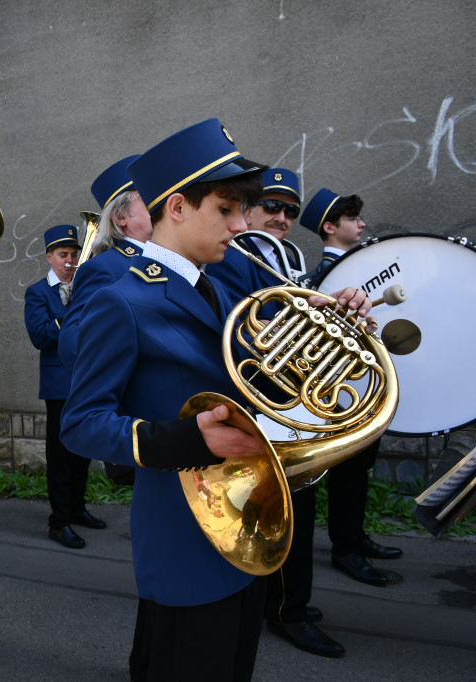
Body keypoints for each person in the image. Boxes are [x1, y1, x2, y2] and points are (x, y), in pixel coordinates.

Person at [60, 119, 375, 681]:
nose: (241, 225)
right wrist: (183, 439)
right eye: (226, 210)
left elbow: (281, 351)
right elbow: (81, 423)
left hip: (248, 515)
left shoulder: (225, 278)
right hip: (183, 530)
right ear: (177, 207)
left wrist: (337, 317)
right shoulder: (121, 297)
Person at [207, 169, 344, 658]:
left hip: (292, 396)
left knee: (298, 504)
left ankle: (284, 598)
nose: (283, 219)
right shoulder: (232, 253)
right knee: (285, 506)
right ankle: (287, 609)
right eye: (272, 208)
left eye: (290, 211)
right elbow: (233, 321)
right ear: (249, 211)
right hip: (258, 395)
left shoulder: (289, 256)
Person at [300, 188, 403, 586]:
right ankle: (345, 548)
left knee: (360, 468)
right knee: (348, 470)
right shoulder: (324, 276)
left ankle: (356, 537)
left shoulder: (361, 266)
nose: (361, 224)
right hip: (343, 388)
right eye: (351, 219)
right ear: (329, 227)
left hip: (364, 382)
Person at [23, 224, 104, 549]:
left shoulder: (87, 288)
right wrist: (71, 315)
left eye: (73, 254)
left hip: (88, 378)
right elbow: (40, 335)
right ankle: (58, 522)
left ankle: (76, 509)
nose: (70, 261)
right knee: (60, 454)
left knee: (83, 450)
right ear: (49, 257)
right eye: (63, 255)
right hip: (58, 384)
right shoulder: (37, 292)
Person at [56, 154, 151, 371]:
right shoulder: (105, 267)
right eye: (147, 198)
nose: (159, 203)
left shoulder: (170, 259)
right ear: (120, 217)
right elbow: (72, 345)